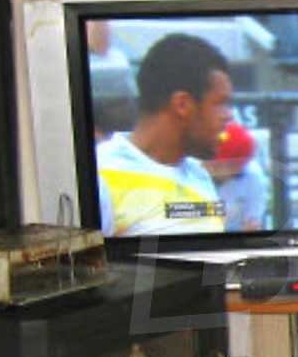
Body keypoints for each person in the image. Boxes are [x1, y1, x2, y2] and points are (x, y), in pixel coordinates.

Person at [96, 33, 232, 235]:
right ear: (182, 104)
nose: (228, 116)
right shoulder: (101, 174)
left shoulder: (199, 176)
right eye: (220, 103)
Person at [207, 121, 270, 232]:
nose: (210, 164)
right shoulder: (188, 169)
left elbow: (251, 225)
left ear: (238, 166)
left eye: (218, 163)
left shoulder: (254, 179)